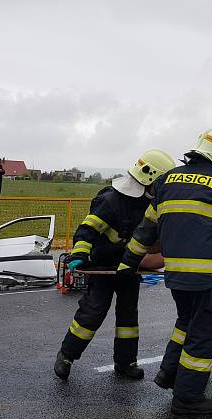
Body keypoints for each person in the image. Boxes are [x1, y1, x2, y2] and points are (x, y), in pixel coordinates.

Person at [119, 128, 212, 415]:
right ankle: (187, 397)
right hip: (209, 277)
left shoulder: (166, 181)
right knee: (204, 335)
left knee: (186, 323)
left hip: (176, 275)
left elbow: (146, 230)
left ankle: (169, 373)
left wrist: (128, 263)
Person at [53, 149, 176, 381]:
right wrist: (79, 254)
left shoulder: (150, 203)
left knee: (128, 317)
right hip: (103, 267)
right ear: (149, 178)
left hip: (128, 267)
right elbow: (86, 230)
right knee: (93, 312)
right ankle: (67, 355)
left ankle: (126, 363)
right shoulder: (110, 201)